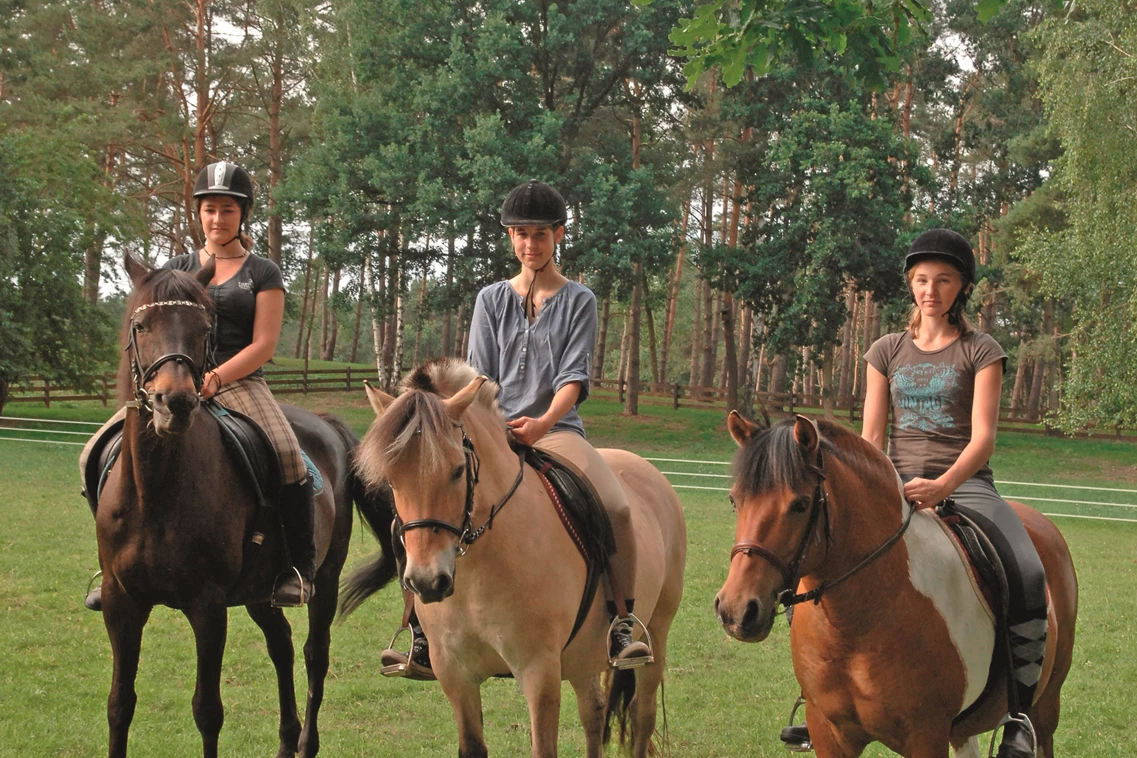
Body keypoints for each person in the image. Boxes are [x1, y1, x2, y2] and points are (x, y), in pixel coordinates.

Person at [779, 229, 1047, 758]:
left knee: (1027, 569)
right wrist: (881, 487)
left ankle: (1019, 714)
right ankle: (817, 697)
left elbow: (984, 436)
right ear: (911, 286)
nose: (931, 290)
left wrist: (945, 484)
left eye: (943, 280)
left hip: (964, 484)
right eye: (922, 280)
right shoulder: (886, 350)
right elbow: (872, 436)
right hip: (893, 483)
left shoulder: (981, 350)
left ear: (962, 287)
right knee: (813, 564)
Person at [379, 179, 652, 678]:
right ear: (510, 238)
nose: (530, 244)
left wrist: (544, 420)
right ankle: (419, 632)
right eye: (521, 233)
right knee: (426, 504)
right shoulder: (490, 299)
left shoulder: (580, 300)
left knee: (615, 506)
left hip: (558, 429)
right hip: (496, 429)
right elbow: (479, 374)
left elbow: (574, 376)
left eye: (540, 234)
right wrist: (488, 424)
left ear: (559, 235)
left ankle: (622, 623)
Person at [80, 161, 316, 610]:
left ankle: (297, 569)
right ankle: (111, 562)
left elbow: (264, 343)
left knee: (289, 455)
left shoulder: (262, 272)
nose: (217, 218)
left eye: (227, 209)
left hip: (240, 381)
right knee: (94, 451)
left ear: (242, 214)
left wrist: (217, 377)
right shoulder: (178, 268)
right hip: (174, 380)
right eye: (209, 209)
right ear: (199, 213)